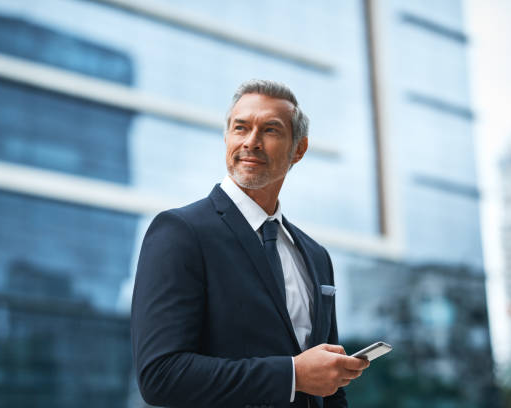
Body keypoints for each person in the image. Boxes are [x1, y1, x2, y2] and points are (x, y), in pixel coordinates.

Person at [131, 79, 369, 408]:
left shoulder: (316, 255)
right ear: (227, 137)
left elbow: (330, 389)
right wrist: (293, 375)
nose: (251, 142)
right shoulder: (180, 232)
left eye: (270, 130)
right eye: (241, 128)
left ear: (298, 150)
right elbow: (161, 375)